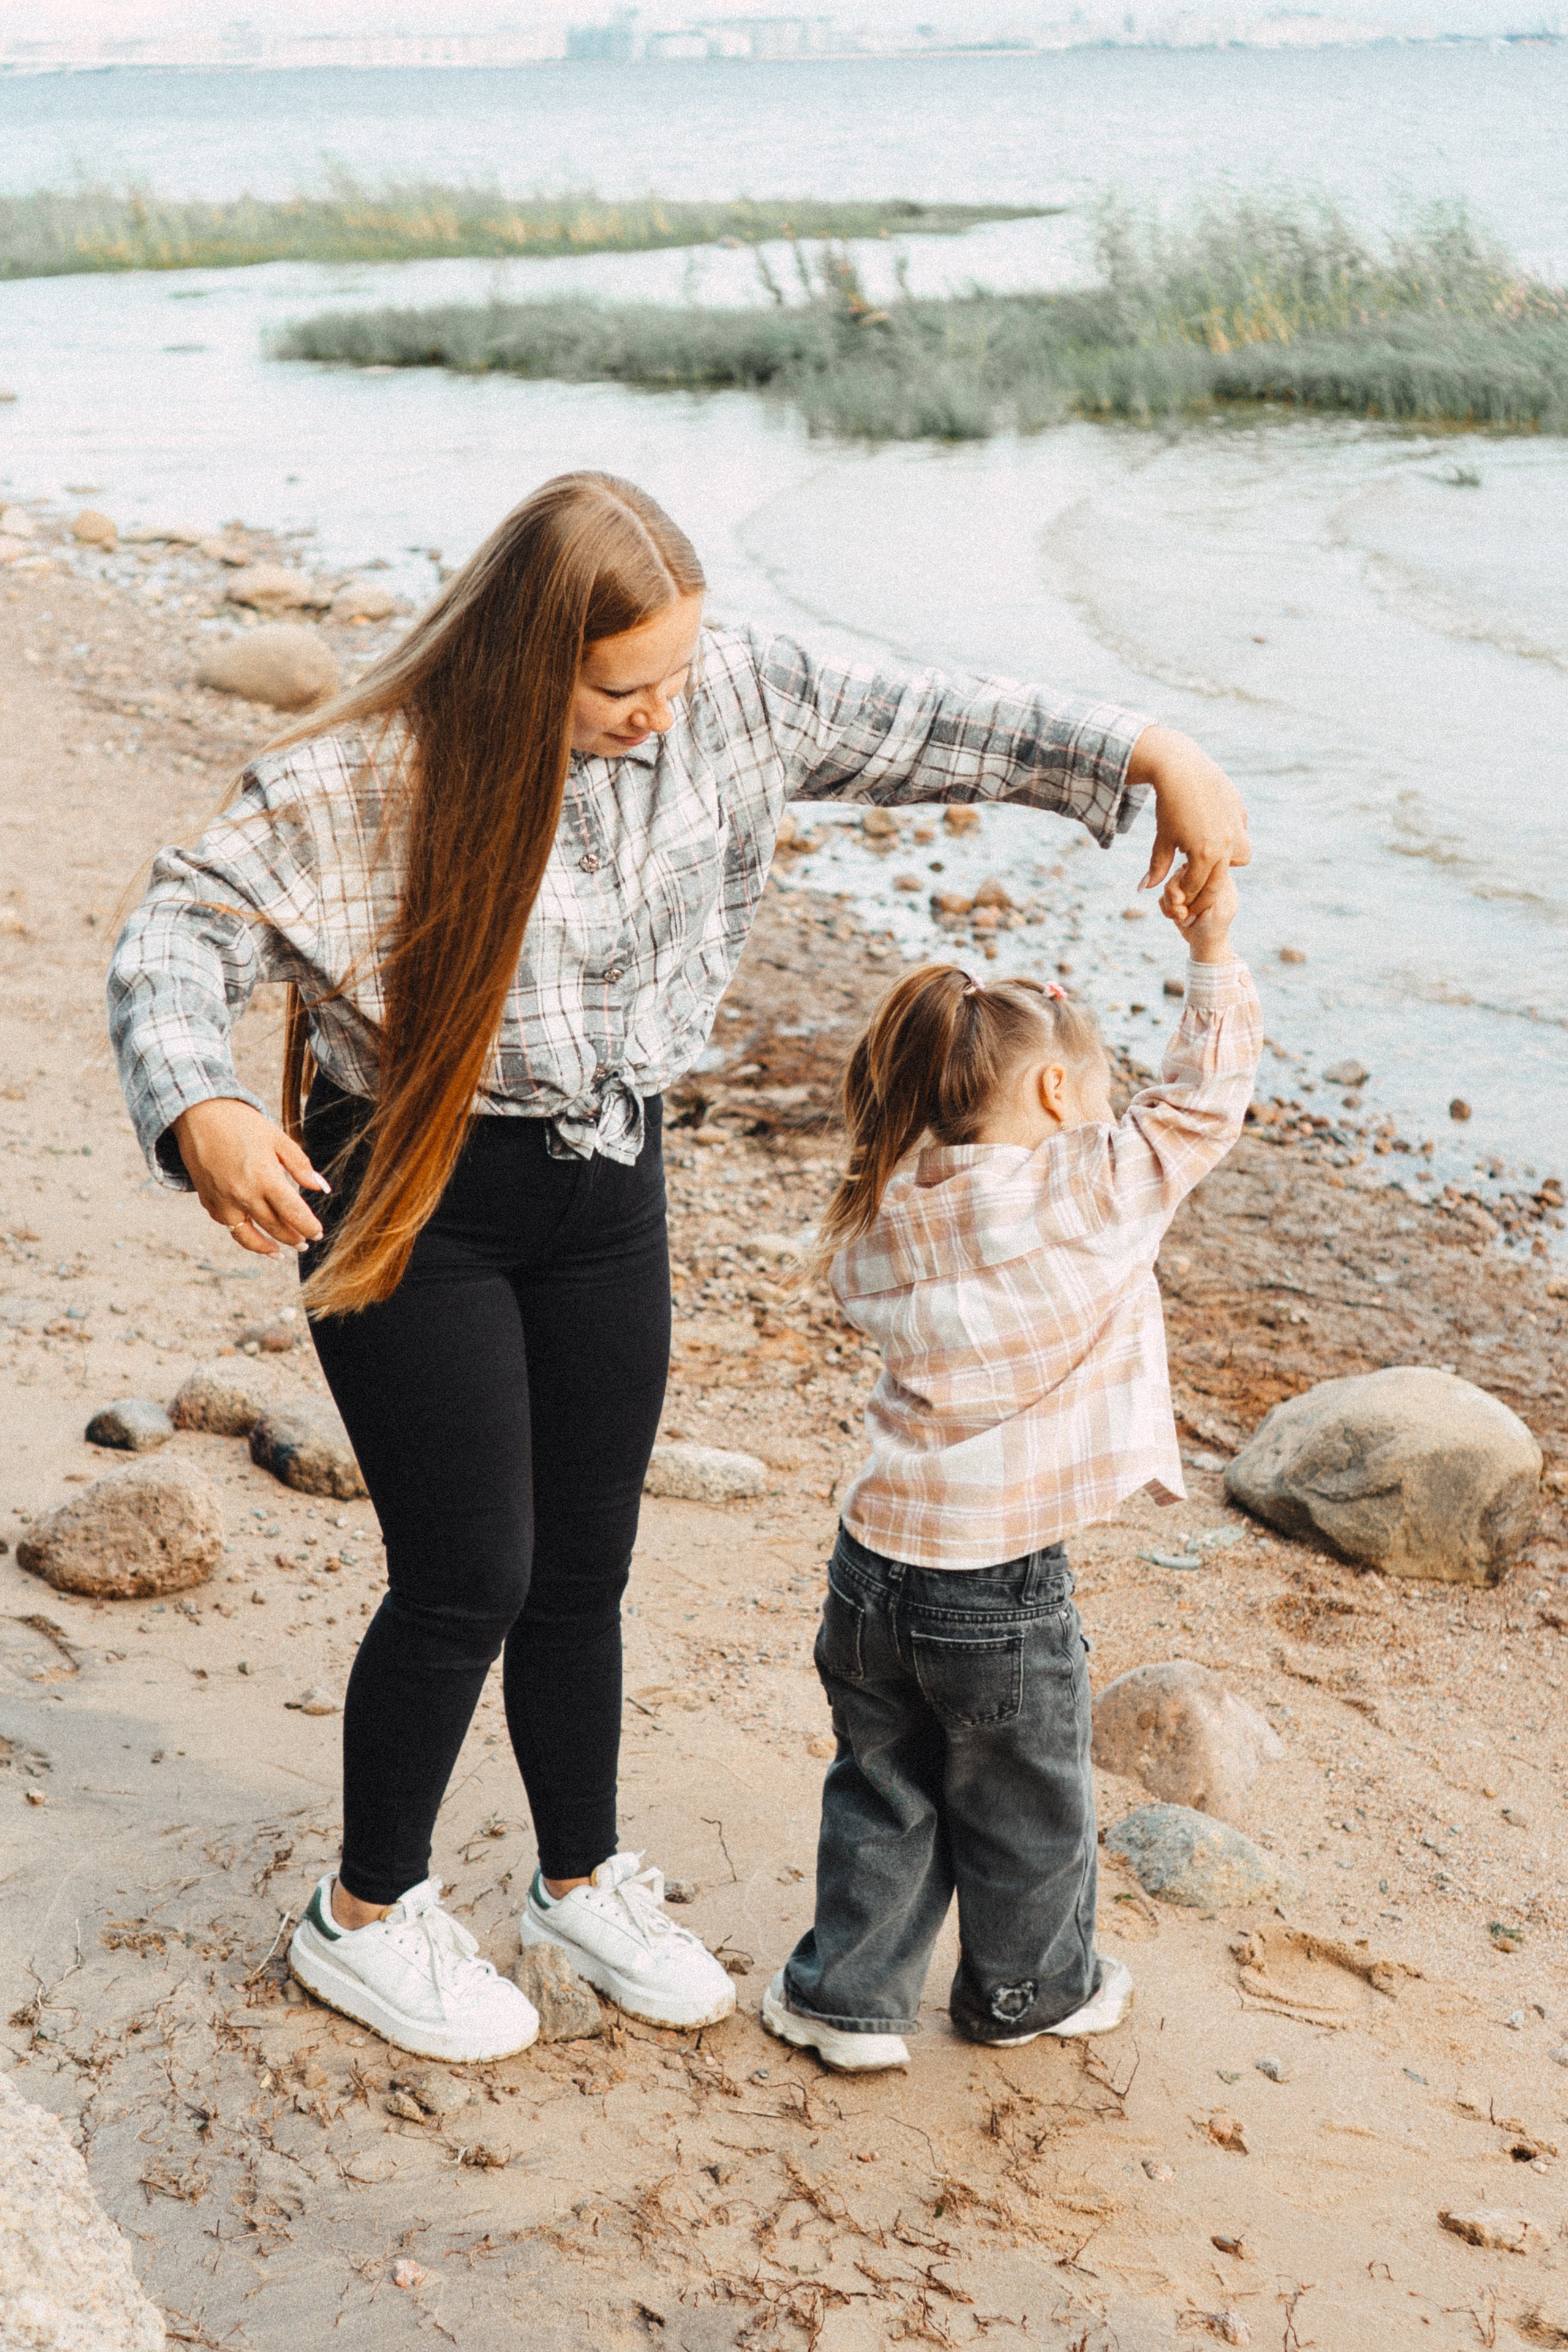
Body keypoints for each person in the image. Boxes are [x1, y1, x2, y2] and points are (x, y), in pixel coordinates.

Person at [107, 470, 1250, 2066]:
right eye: (620, 685)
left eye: (671, 675)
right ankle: (364, 1916)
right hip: (410, 1193)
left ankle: (579, 1878)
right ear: (527, 661)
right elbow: (181, 932)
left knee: (586, 1565)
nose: (661, 711)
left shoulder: (729, 700)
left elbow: (942, 718)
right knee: (469, 1578)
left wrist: (1157, 755)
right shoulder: (365, 777)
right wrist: (205, 1104)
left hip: (607, 1185)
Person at [762, 872, 1262, 2071]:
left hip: (870, 1567)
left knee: (883, 1784)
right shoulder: (1080, 1190)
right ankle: (1028, 1992)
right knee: (1025, 1799)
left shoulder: (886, 1204)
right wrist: (1211, 951)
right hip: (995, 1586)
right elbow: (1202, 1106)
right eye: (1093, 1097)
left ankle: (848, 2004)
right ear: (1055, 1093)